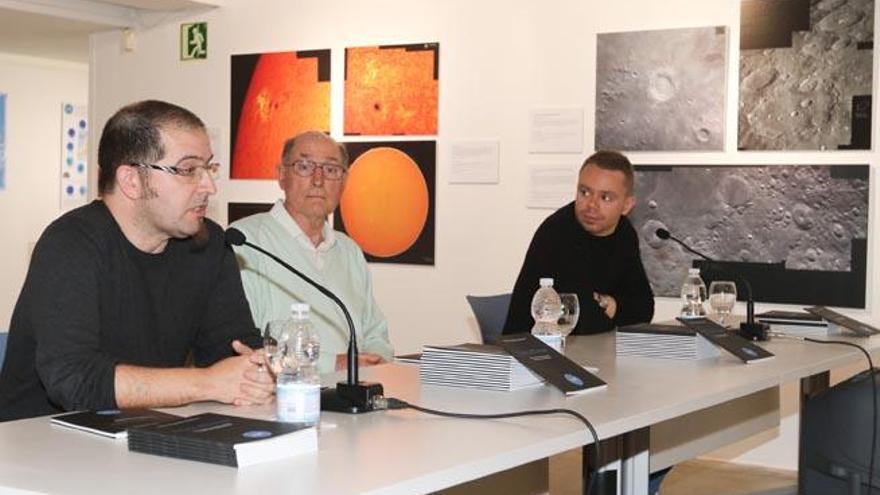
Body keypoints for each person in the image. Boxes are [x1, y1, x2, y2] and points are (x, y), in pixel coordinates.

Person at [0, 100, 273, 422]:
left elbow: (235, 349)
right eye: (188, 170)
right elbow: (74, 381)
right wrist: (209, 382)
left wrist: (258, 372)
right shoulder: (70, 244)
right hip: (42, 445)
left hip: (144, 430)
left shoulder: (209, 243)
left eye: (209, 168)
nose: (209, 186)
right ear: (131, 181)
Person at [231, 131, 393, 374]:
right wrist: (335, 365)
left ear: (344, 181)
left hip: (353, 395)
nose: (318, 180)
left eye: (330, 169)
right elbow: (244, 343)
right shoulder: (245, 242)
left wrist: (376, 360)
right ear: (281, 175)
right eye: (304, 166)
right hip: (278, 399)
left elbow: (374, 331)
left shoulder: (348, 250)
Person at [503, 150, 654, 335]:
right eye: (585, 192)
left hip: (591, 350)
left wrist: (603, 302)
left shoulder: (625, 232)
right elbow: (582, 321)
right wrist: (614, 307)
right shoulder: (557, 232)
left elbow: (643, 310)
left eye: (605, 197)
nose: (591, 205)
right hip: (535, 351)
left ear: (627, 205)